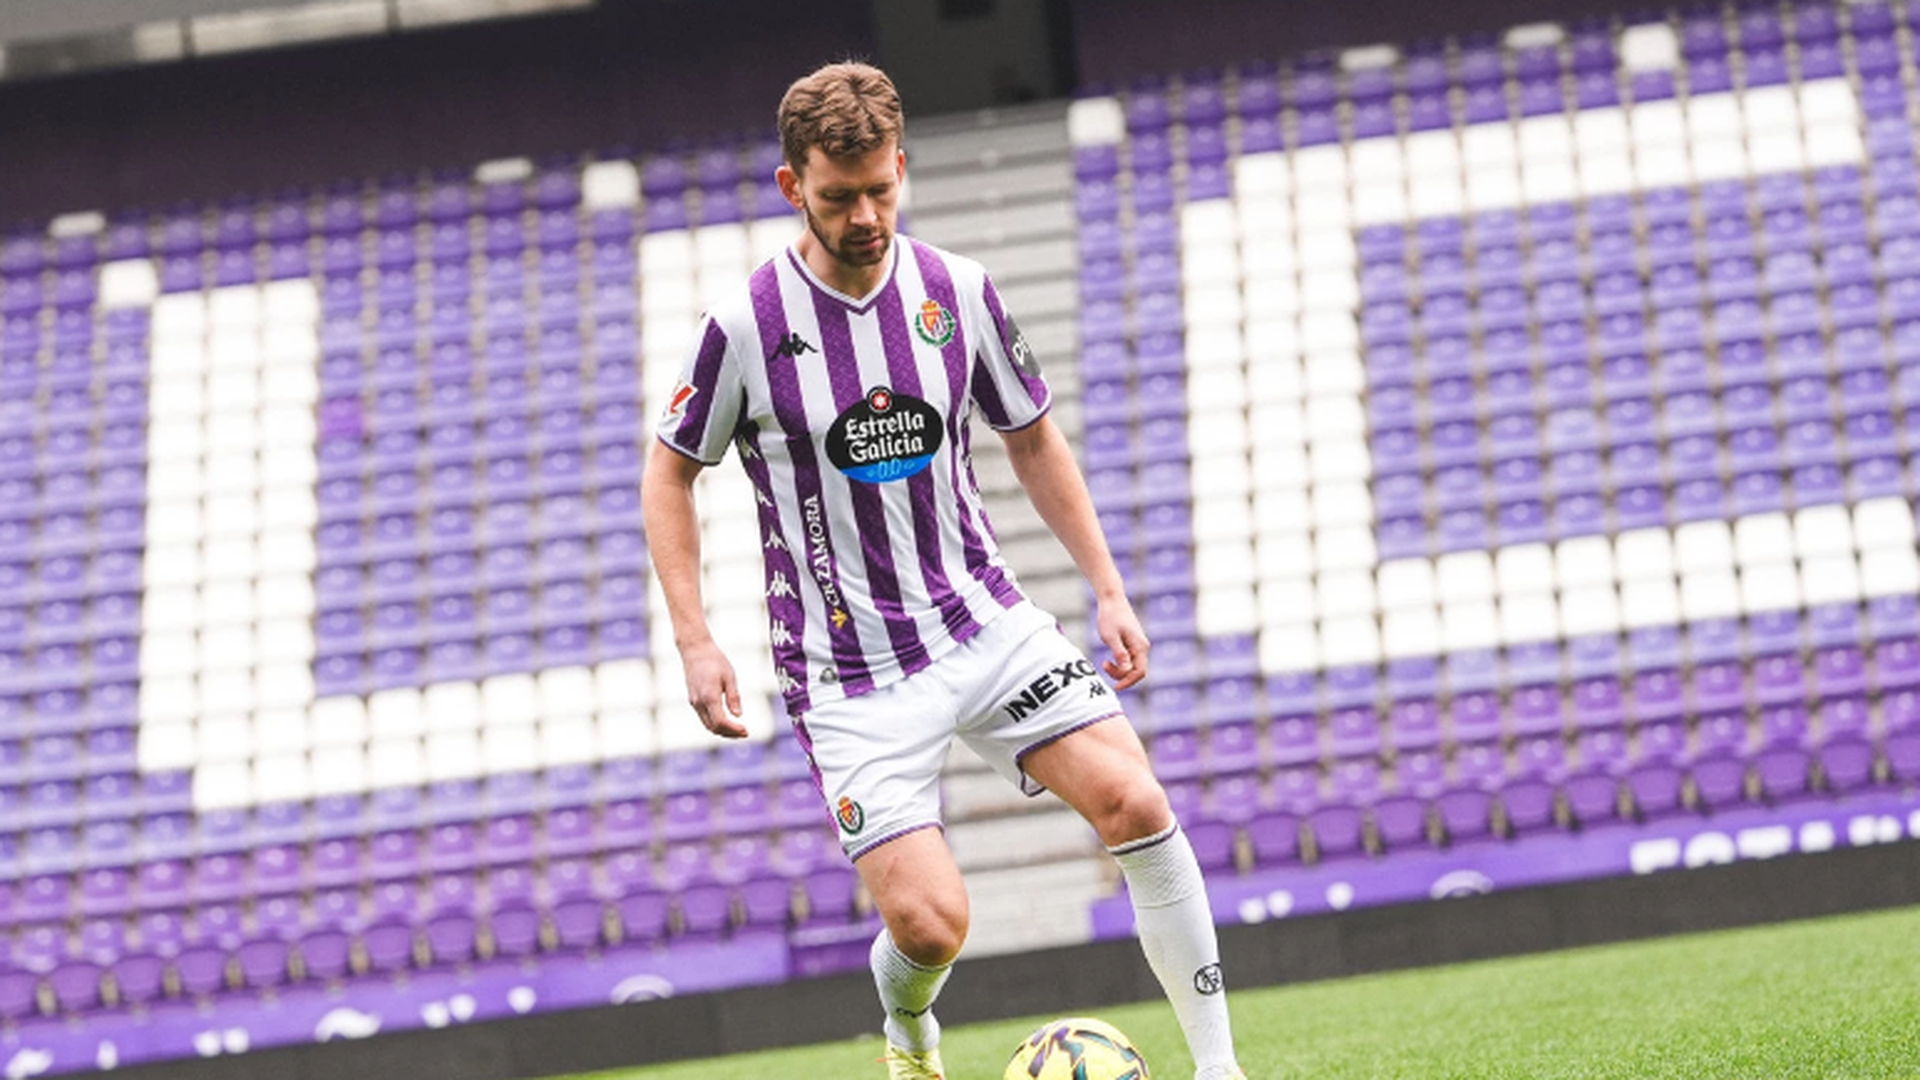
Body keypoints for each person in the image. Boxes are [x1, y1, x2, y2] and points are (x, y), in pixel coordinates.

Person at [641, 61, 1246, 1080]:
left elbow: (1036, 439)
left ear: (901, 167)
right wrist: (696, 639)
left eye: (882, 188)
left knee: (1138, 805)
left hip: (982, 619)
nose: (868, 215)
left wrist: (1106, 585)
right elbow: (668, 475)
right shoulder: (744, 326)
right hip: (849, 674)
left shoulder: (955, 290)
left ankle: (1221, 1070)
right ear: (795, 188)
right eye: (840, 197)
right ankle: (910, 1030)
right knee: (930, 927)